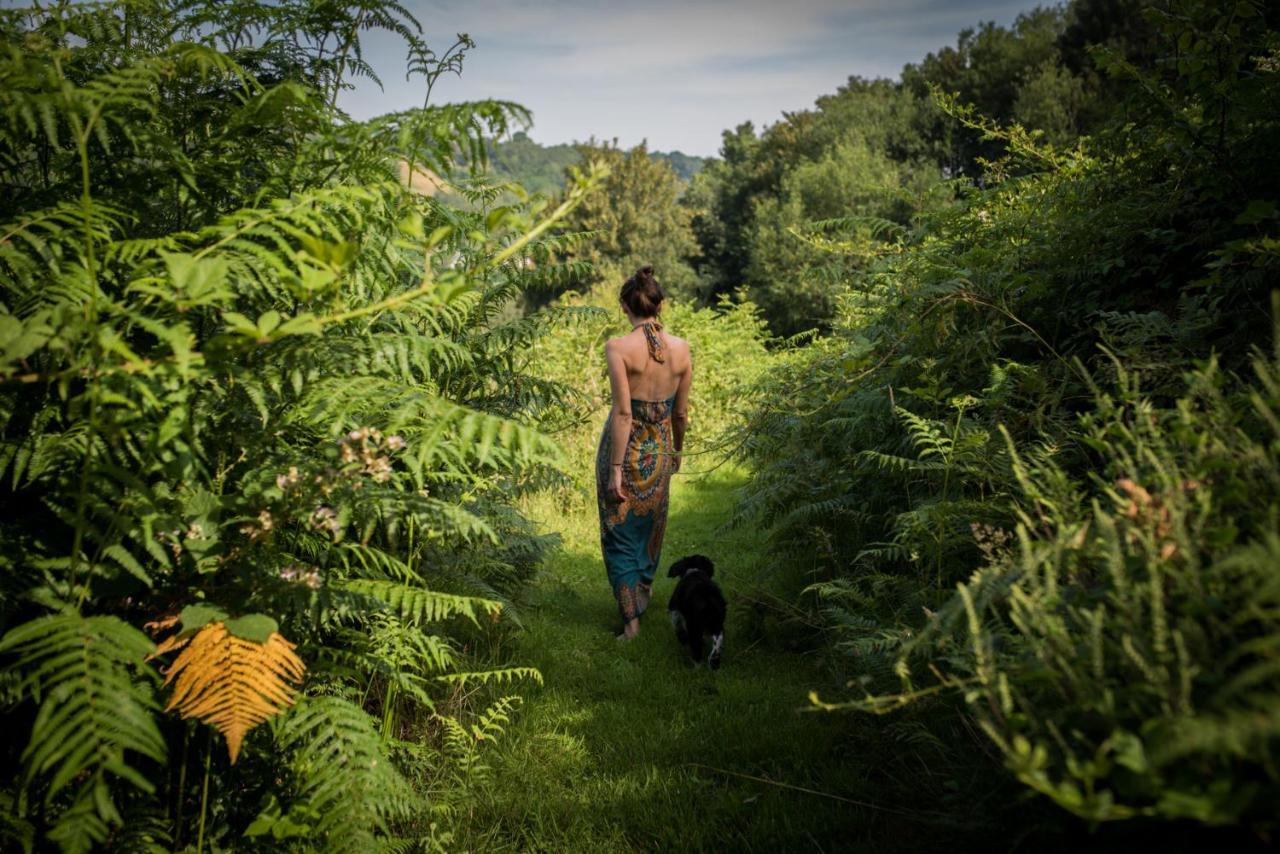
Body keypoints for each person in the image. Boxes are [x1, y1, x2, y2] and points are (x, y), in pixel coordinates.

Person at [595, 265, 692, 640]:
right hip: (659, 451)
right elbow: (680, 413)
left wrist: (616, 469)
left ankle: (630, 622)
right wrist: (677, 453)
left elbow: (623, 413)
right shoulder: (683, 350)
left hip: (624, 449)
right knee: (651, 526)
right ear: (660, 305)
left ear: (624, 307)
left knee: (617, 529)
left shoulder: (618, 348)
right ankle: (643, 593)